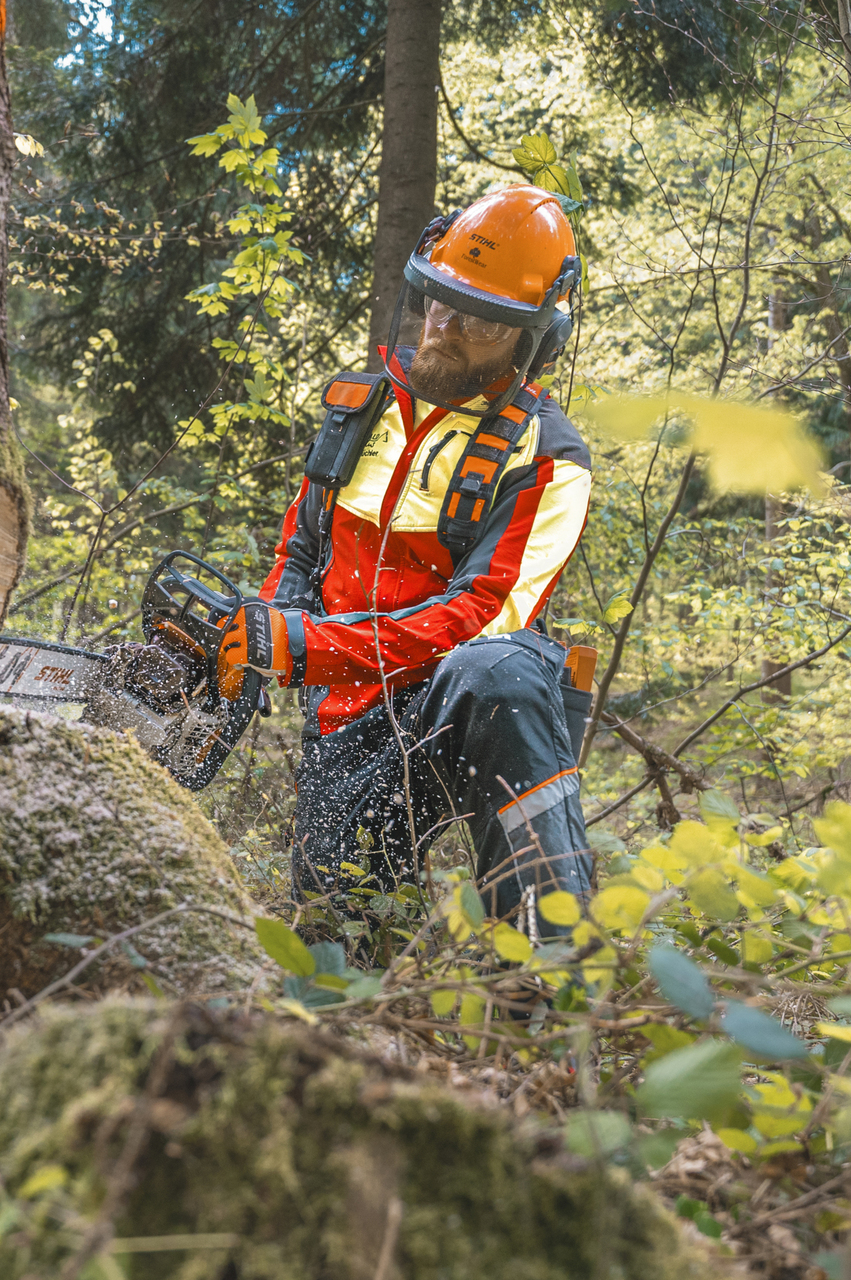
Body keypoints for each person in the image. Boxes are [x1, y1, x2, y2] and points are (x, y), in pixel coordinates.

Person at [213, 184, 596, 929]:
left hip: (450, 708)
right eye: (439, 304)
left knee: (503, 671)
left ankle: (552, 963)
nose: (444, 331)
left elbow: (483, 616)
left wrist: (311, 647)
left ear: (534, 338)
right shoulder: (360, 414)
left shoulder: (548, 457)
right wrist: (262, 632)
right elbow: (301, 552)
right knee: (335, 937)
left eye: (482, 321)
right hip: (347, 714)